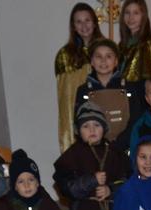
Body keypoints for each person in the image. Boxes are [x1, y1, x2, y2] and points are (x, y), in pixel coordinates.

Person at [118, 0, 151, 148]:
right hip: (125, 102)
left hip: (140, 104)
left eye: (136, 13)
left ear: (143, 16)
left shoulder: (147, 44)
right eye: (127, 13)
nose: (131, 17)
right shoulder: (122, 46)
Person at [55, 2, 104, 153]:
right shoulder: (65, 55)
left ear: (95, 22)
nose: (84, 25)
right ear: (73, 26)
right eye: (79, 21)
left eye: (87, 20)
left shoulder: (105, 50)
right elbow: (65, 99)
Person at [74, 38, 132, 153]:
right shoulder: (83, 90)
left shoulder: (129, 88)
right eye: (98, 56)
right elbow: (80, 124)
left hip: (124, 150)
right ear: (92, 62)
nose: (103, 61)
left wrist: (118, 145)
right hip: (94, 151)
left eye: (109, 56)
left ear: (116, 61)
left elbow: (135, 122)